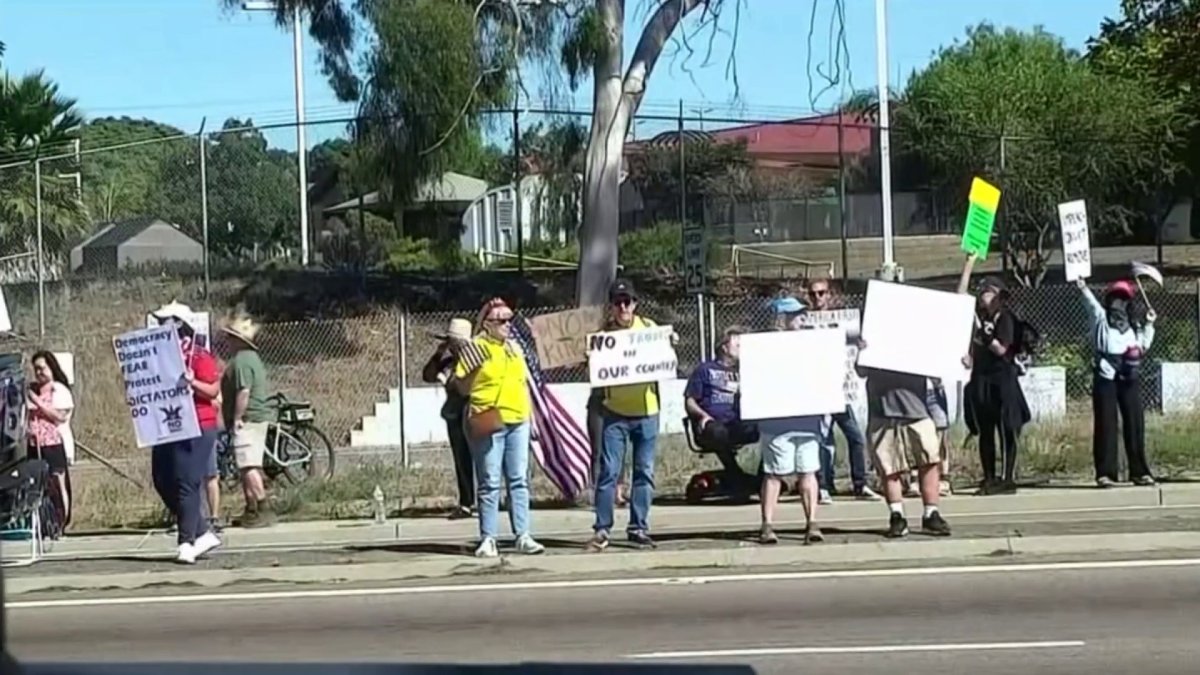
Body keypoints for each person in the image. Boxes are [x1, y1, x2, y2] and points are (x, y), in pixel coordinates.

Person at [454, 298, 544, 558]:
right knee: (490, 481)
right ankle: (488, 538)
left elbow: (524, 383)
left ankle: (523, 535)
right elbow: (461, 386)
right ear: (488, 324)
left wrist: (532, 417)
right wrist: (474, 371)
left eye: (509, 319)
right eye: (501, 320)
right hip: (489, 418)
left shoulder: (515, 348)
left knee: (519, 480)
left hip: (518, 419)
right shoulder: (477, 348)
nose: (507, 324)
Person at [588, 279, 669, 551]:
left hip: (647, 412)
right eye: (618, 302)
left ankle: (638, 527)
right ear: (611, 306)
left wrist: (670, 344)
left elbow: (666, 357)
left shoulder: (649, 330)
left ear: (635, 303)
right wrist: (589, 356)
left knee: (644, 472)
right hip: (615, 414)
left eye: (628, 301)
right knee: (609, 472)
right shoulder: (603, 336)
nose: (623, 307)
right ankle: (602, 529)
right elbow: (591, 368)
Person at [856, 344, 952, 539]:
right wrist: (863, 350)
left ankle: (931, 513)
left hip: (916, 408)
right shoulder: (874, 331)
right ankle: (896, 515)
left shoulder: (915, 333)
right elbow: (861, 371)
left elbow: (937, 373)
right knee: (888, 466)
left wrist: (960, 361)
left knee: (930, 459)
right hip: (883, 409)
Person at [149, 314, 223, 563]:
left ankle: (186, 541)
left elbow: (213, 390)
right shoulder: (157, 361)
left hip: (198, 425)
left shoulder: (200, 357)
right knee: (162, 479)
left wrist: (194, 382)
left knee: (187, 480)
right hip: (167, 426)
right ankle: (201, 532)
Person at [756, 296, 828, 545]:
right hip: (776, 423)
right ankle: (767, 524)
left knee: (808, 471)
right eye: (794, 314)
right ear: (780, 319)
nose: (801, 318)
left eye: (801, 313)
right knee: (775, 474)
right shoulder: (764, 347)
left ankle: (812, 523)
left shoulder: (813, 345)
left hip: (807, 421)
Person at [1077, 278, 1156, 487]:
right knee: (1106, 423)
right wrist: (1083, 286)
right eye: (1115, 298)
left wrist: (1149, 323)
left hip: (1129, 377)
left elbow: (1143, 346)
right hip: (1106, 377)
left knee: (1134, 423)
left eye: (1123, 299)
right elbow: (1089, 302)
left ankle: (1139, 471)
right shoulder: (1101, 318)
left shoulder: (1134, 326)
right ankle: (1106, 473)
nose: (1118, 304)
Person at [807, 278, 880, 503]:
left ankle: (860, 483)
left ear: (830, 295)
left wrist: (860, 346)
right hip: (818, 390)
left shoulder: (843, 321)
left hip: (840, 390)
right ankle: (824, 486)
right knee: (823, 440)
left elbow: (854, 344)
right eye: (813, 294)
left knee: (856, 437)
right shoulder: (803, 321)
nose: (818, 298)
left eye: (822, 293)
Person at [965, 277, 1031, 495]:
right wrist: (970, 359)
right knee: (986, 429)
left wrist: (986, 337)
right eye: (982, 291)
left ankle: (1007, 477)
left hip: (1003, 378)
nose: (984, 294)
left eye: (989, 291)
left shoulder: (1005, 319)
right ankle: (989, 476)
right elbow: (975, 350)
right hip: (982, 378)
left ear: (999, 297)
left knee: (1007, 428)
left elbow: (1002, 349)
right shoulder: (980, 320)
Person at [684, 326, 759, 501]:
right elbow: (690, 400)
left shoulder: (745, 371)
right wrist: (702, 416)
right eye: (737, 345)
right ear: (724, 347)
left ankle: (763, 477)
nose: (741, 349)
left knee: (764, 429)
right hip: (711, 425)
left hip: (736, 423)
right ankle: (736, 475)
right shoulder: (704, 369)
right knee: (718, 432)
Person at [219, 312, 276, 528]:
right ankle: (251, 509)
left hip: (248, 419)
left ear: (237, 340)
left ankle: (262, 507)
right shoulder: (252, 360)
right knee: (246, 465)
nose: (227, 342)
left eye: (230, 338)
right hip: (256, 418)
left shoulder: (242, 361)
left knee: (248, 465)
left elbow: (244, 391)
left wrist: (237, 418)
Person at [423, 317, 477, 519]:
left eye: (456, 343)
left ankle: (484, 499)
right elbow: (428, 375)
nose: (453, 348)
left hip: (476, 412)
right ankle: (466, 501)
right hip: (455, 413)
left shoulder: (476, 361)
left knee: (483, 457)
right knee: (461, 458)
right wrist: (439, 353)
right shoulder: (448, 363)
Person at [25, 351, 74, 535]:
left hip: (53, 443)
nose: (39, 373)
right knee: (38, 486)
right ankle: (44, 524)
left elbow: (59, 417)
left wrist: (38, 402)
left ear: (51, 368)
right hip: (34, 444)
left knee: (57, 483)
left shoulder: (59, 390)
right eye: (36, 369)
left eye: (42, 368)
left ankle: (61, 523)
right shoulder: (32, 390)